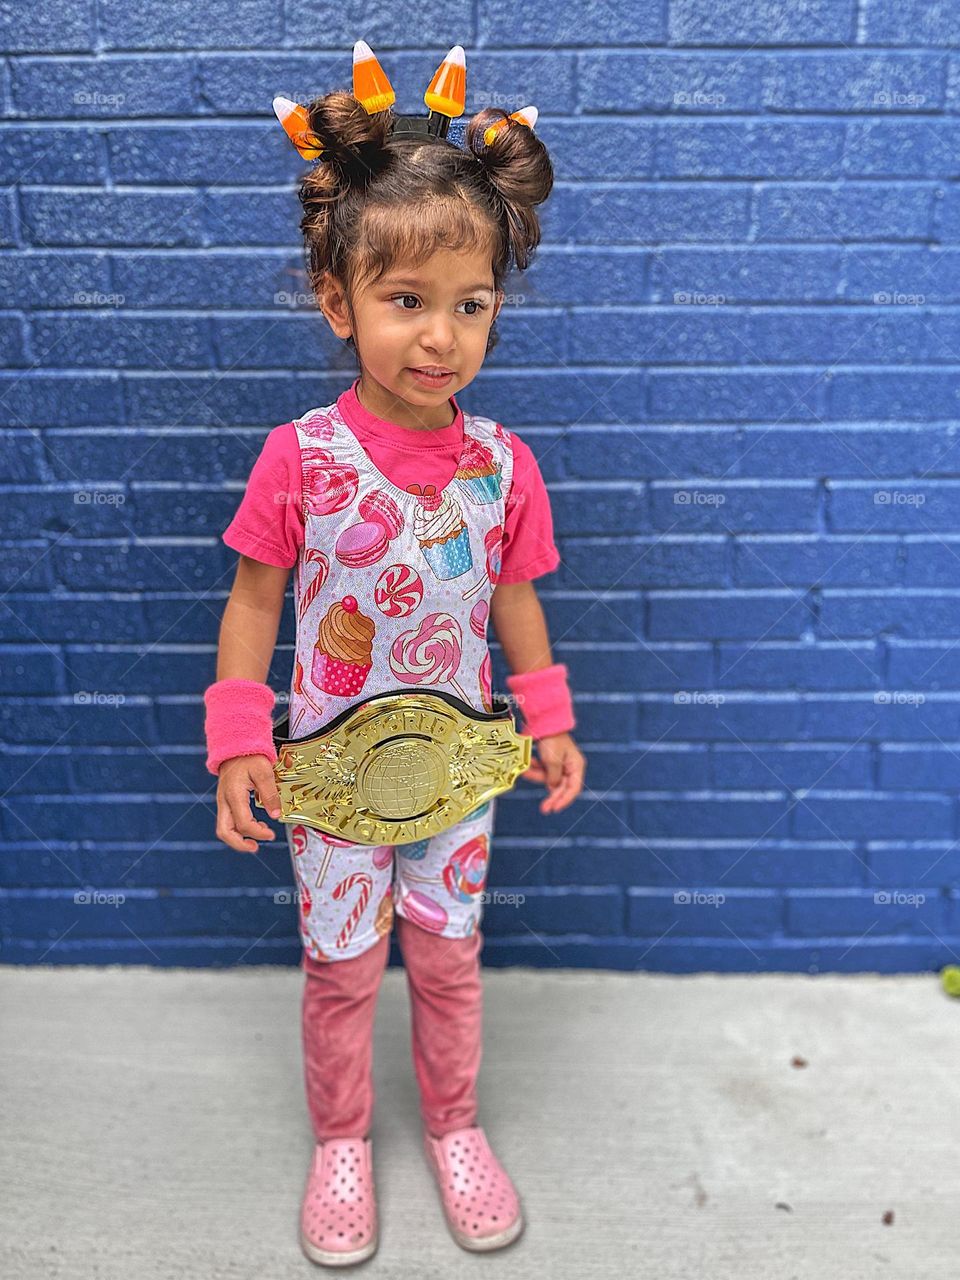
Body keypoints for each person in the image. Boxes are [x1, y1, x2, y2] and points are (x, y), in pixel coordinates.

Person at [203, 42, 586, 1267]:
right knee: (343, 966)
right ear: (338, 302)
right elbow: (256, 605)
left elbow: (516, 597)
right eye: (407, 300)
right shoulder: (302, 458)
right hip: (326, 776)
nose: (442, 337)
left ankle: (458, 1125)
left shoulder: (503, 466)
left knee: (453, 957)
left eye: (470, 303)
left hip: (460, 772)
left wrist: (551, 714)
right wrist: (236, 741)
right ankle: (344, 1138)